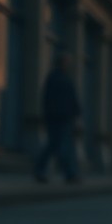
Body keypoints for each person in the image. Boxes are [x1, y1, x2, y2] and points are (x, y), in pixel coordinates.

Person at [34, 53, 82, 183]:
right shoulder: (56, 79)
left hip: (63, 118)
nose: (68, 64)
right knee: (60, 146)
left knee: (55, 145)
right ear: (61, 63)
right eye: (66, 61)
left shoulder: (64, 79)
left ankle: (42, 170)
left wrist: (77, 116)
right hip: (57, 118)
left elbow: (73, 100)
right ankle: (69, 174)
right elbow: (48, 99)